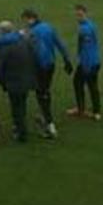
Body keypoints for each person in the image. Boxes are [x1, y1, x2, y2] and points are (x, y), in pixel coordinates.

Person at [22, 8, 73, 139]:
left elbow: (36, 51)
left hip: (40, 67)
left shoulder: (32, 33)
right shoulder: (48, 27)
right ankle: (43, 115)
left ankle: (50, 126)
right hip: (51, 65)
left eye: (25, 20)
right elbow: (60, 44)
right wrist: (67, 60)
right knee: (45, 91)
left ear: (29, 18)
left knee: (41, 93)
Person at [0, 20, 38, 143]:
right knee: (22, 104)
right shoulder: (24, 42)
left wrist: (2, 83)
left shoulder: (4, 46)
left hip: (13, 81)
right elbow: (33, 59)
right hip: (26, 79)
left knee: (16, 107)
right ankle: (20, 128)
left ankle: (21, 132)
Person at [67, 4, 102, 121]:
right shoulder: (91, 25)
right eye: (77, 15)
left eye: (80, 15)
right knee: (91, 85)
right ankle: (96, 112)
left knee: (79, 83)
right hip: (95, 60)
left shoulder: (84, 29)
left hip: (88, 63)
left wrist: (85, 64)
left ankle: (81, 109)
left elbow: (86, 48)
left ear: (85, 14)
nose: (78, 17)